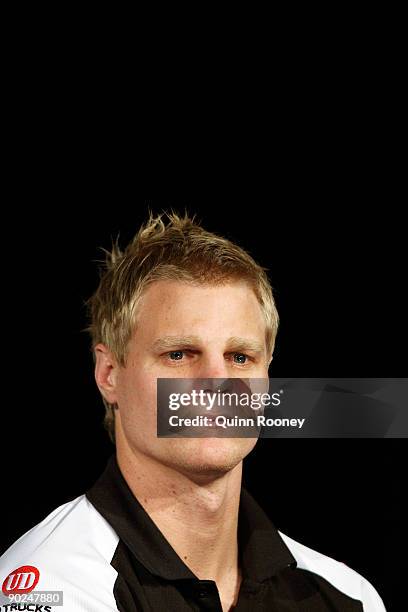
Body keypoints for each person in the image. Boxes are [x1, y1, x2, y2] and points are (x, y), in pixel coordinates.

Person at [0, 213, 386, 611]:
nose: (217, 383)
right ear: (109, 373)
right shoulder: (50, 584)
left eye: (240, 357)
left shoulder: (347, 597)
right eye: (179, 354)